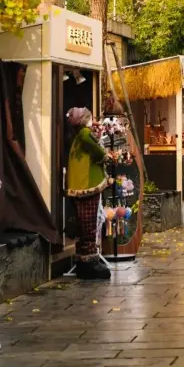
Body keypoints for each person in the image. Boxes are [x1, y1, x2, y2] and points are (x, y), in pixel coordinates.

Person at [66, 107, 111, 279]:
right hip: (87, 184)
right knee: (89, 223)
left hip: (79, 184)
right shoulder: (85, 134)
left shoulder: (78, 135)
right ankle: (89, 261)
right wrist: (105, 155)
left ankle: (84, 259)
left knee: (84, 223)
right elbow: (100, 153)